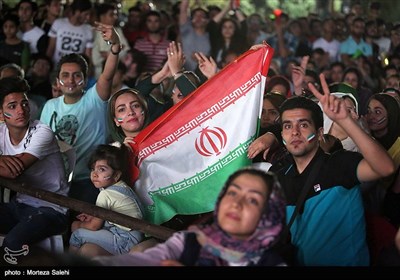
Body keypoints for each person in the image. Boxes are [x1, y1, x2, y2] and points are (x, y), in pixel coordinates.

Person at [249, 74, 395, 266]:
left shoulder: (339, 164)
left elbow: (386, 168)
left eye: (303, 124)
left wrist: (345, 121)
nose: (294, 132)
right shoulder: (278, 175)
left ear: (319, 133)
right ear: (282, 134)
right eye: (287, 126)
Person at [94, 167, 286, 266]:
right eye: (232, 193)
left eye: (252, 200)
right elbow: (141, 261)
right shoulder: (189, 242)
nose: (236, 204)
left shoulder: (272, 263)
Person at [40, 22, 121, 205]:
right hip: (54, 180)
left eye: (77, 75)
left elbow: (108, 75)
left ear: (85, 80)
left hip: (89, 180)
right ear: (58, 81)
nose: (71, 80)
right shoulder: (49, 106)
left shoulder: (95, 99)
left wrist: (115, 47)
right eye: (65, 75)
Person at [0, 77, 69, 253]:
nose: (21, 110)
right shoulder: (1, 132)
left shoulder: (42, 132)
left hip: (51, 209)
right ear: (1, 114)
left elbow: (12, 172)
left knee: (12, 244)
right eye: (12, 106)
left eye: (24, 103)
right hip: (20, 204)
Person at [69, 144, 144, 257]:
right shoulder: (122, 186)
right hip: (134, 235)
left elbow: (94, 226)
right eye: (93, 169)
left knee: (77, 234)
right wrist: (92, 217)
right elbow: (108, 214)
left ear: (117, 175)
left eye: (102, 170)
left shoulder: (106, 194)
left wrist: (78, 225)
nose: (94, 174)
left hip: (125, 239)